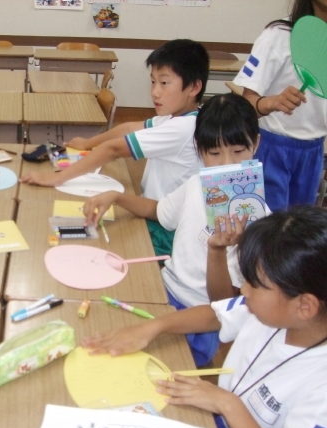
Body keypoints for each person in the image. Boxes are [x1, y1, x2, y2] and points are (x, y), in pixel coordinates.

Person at [83, 206, 327, 428]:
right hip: (217, 417)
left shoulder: (321, 392)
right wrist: (152, 327)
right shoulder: (275, 311)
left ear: (305, 306)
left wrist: (228, 404)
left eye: (254, 284)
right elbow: (215, 315)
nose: (243, 290)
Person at [82, 94, 260, 367]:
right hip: (163, 291)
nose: (227, 164)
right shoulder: (196, 184)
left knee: (139, 368)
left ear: (255, 144)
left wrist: (217, 249)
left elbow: (223, 305)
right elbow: (159, 211)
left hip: (199, 320)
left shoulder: (258, 221)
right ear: (199, 149)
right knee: (98, 331)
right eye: (214, 153)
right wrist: (116, 197)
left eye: (238, 151)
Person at [20, 39, 209, 256]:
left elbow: (114, 150)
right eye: (153, 81)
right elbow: (128, 128)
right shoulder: (178, 118)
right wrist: (89, 143)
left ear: (194, 87)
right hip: (152, 209)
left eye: (164, 83)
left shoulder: (183, 128)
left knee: (91, 243)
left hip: (165, 229)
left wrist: (58, 178)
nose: (155, 92)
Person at [233, 0, 327, 211]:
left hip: (313, 152)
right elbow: (244, 106)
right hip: (271, 147)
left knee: (298, 226)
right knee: (266, 225)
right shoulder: (278, 35)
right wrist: (271, 103)